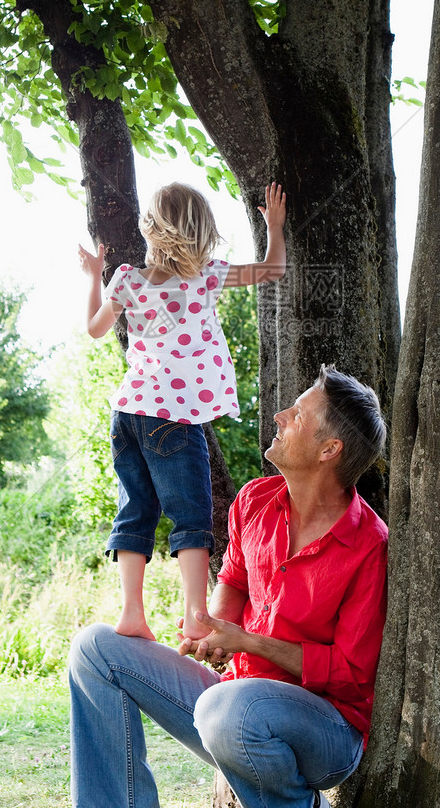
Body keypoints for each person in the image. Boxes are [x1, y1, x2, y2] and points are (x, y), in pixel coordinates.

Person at [48, 365, 388, 808]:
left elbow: (349, 673)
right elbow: (233, 582)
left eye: (297, 414)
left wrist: (246, 642)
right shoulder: (255, 500)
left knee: (227, 708)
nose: (280, 416)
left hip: (324, 732)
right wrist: (210, 629)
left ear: (330, 450)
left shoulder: (370, 545)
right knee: (96, 648)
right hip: (229, 710)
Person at [78, 181, 287, 642]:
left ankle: (132, 612)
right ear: (202, 232)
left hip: (128, 412)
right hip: (175, 417)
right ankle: (195, 616)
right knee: (191, 516)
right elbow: (272, 270)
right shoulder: (207, 276)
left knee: (134, 512)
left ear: (150, 229)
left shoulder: (127, 279)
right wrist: (273, 226)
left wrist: (94, 274)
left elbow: (95, 330)